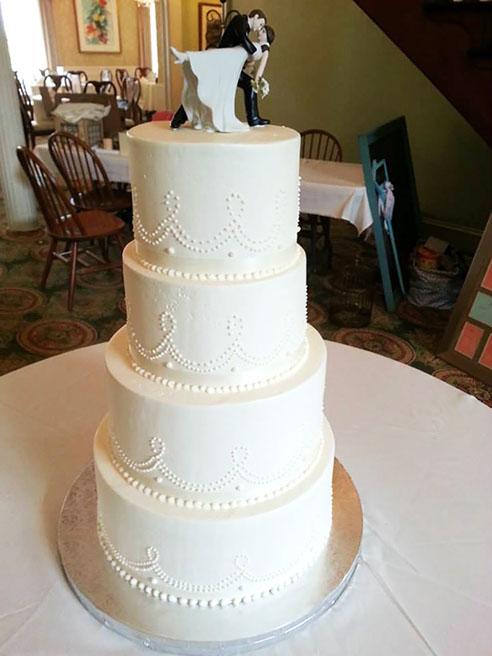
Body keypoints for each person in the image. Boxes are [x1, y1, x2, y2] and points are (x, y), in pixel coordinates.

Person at [170, 9, 269, 130]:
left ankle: (253, 118)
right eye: (261, 24)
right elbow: (243, 40)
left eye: (262, 28)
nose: (259, 28)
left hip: (231, 69)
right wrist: (254, 51)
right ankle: (178, 119)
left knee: (249, 85)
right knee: (200, 91)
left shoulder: (246, 29)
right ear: (256, 17)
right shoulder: (239, 21)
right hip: (221, 66)